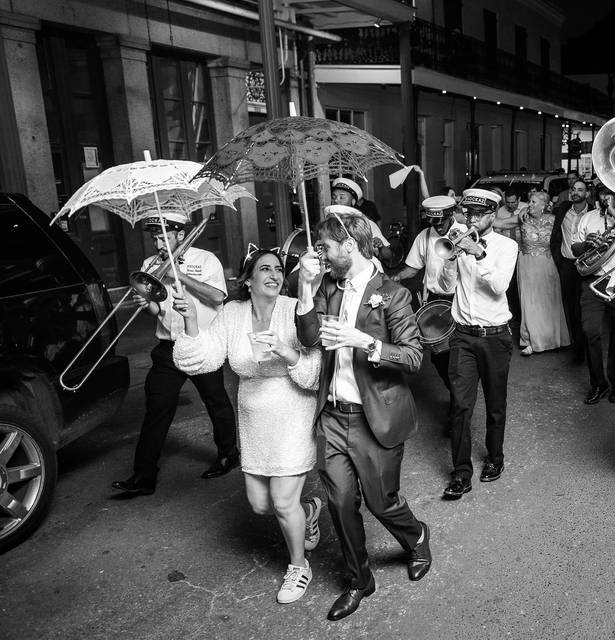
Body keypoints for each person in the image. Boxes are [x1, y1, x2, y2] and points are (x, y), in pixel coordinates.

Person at [295, 212, 431, 621]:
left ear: (349, 247)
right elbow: (308, 336)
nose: (322, 254)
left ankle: (417, 535)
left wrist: (367, 342)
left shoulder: (392, 294)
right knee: (339, 502)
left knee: (381, 502)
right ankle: (359, 581)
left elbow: (412, 357)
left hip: (375, 418)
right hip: (334, 416)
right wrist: (305, 287)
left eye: (327, 247)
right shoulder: (329, 288)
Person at [170, 248, 323, 604]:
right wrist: (192, 319)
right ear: (248, 280)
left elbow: (315, 373)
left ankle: (299, 567)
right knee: (259, 504)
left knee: (284, 502)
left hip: (291, 410)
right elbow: (204, 359)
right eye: (264, 269)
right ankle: (311, 509)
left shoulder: (294, 308)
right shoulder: (232, 313)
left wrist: (286, 351)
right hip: (254, 419)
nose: (273, 274)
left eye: (279, 269)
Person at [111, 212, 239, 496]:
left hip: (201, 342)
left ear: (180, 235)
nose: (157, 243)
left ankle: (229, 454)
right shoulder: (150, 265)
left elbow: (218, 297)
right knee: (157, 408)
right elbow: (157, 311)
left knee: (215, 401)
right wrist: (145, 304)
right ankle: (143, 475)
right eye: (155, 237)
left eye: (163, 237)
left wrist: (178, 275)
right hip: (168, 348)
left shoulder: (206, 260)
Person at [436, 188, 519, 500]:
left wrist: (477, 253)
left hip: (495, 336)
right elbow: (445, 287)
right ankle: (460, 473)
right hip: (463, 336)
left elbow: (499, 286)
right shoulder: (458, 240)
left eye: (479, 214)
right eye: (469, 213)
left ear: (492, 215)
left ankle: (495, 459)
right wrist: (449, 259)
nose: (472, 218)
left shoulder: (507, 246)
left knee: (495, 404)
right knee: (460, 406)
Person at [571, 185, 615, 405]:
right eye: (603, 193)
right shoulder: (587, 218)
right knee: (590, 332)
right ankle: (598, 383)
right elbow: (575, 248)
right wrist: (587, 244)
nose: (606, 197)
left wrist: (613, 211)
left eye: (610, 193)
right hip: (593, 281)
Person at [388, 195, 465, 390]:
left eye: (441, 221)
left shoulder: (464, 233)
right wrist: (395, 278)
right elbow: (413, 268)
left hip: (460, 299)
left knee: (460, 353)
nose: (437, 227)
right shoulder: (424, 236)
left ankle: (460, 400)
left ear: (450, 215)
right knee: (439, 355)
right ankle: (455, 391)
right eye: (433, 222)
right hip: (434, 300)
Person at [514, 191, 570, 355]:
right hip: (527, 262)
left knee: (548, 300)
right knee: (529, 302)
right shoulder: (522, 218)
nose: (528, 205)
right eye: (529, 202)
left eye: (532, 202)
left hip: (547, 262)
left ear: (543, 205)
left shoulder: (554, 220)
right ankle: (530, 340)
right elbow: (500, 223)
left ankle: (552, 339)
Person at [549, 179, 591, 361]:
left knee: (583, 307)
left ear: (587, 194)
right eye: (573, 189)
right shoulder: (563, 209)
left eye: (580, 190)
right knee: (570, 306)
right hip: (567, 265)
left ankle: (585, 345)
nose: (575, 192)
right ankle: (577, 346)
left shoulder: (594, 214)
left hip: (587, 266)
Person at [330, 177, 393, 265]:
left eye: (342, 197)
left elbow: (388, 255)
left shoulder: (366, 224)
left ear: (352, 202)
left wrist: (381, 246)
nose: (336, 200)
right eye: (334, 197)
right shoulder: (329, 226)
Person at [493, 189, 526, 318]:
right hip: (507, 253)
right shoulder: (500, 212)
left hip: (523, 252)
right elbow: (498, 230)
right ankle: (513, 314)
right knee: (510, 284)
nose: (511, 205)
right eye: (508, 202)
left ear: (518, 200)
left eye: (514, 202)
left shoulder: (526, 208)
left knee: (522, 283)